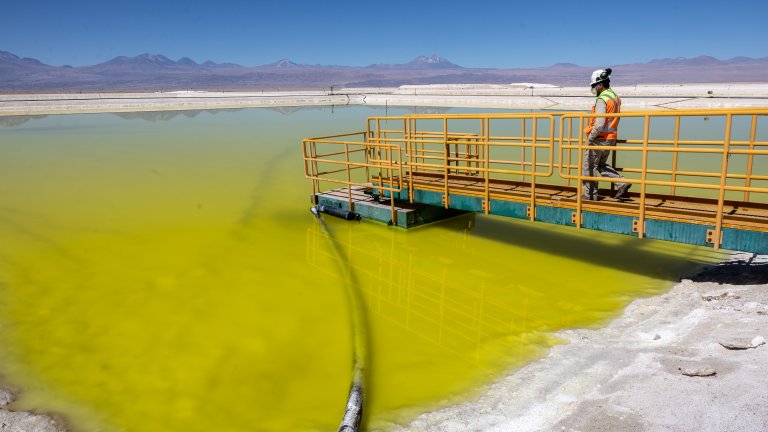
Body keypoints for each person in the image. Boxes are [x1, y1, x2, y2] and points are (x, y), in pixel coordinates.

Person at [582, 68, 631, 200]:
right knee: (601, 165)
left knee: (589, 167)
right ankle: (622, 183)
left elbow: (599, 124)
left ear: (600, 84)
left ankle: (590, 195)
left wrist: (590, 139)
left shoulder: (602, 99)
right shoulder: (614, 97)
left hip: (599, 138)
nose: (594, 89)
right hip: (610, 138)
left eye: (594, 86)